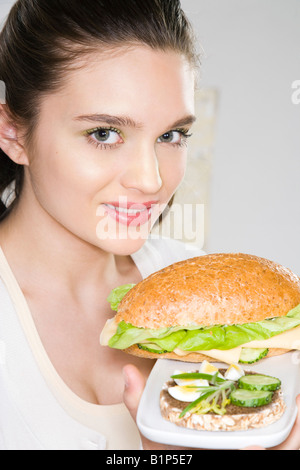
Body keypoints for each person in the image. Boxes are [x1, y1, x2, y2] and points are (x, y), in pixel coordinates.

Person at [0, 0, 299, 451]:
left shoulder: (207, 293)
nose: (151, 180)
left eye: (170, 136)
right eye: (104, 134)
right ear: (13, 134)